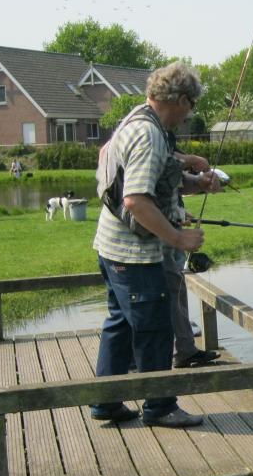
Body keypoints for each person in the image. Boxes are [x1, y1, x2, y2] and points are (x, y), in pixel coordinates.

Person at [91, 61, 210, 428]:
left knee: (120, 324)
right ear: (181, 99)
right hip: (135, 255)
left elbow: (150, 178)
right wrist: (178, 237)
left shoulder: (136, 119)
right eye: (191, 105)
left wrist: (194, 182)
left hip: (111, 249)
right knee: (155, 328)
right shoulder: (149, 135)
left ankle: (106, 402)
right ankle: (160, 407)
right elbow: (136, 200)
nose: (190, 113)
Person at [163, 161, 221, 369]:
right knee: (170, 294)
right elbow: (143, 199)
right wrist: (189, 159)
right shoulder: (151, 139)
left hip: (168, 238)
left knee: (177, 291)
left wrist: (179, 213)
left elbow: (170, 186)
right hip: (157, 244)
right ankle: (181, 352)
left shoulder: (162, 140)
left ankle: (185, 350)